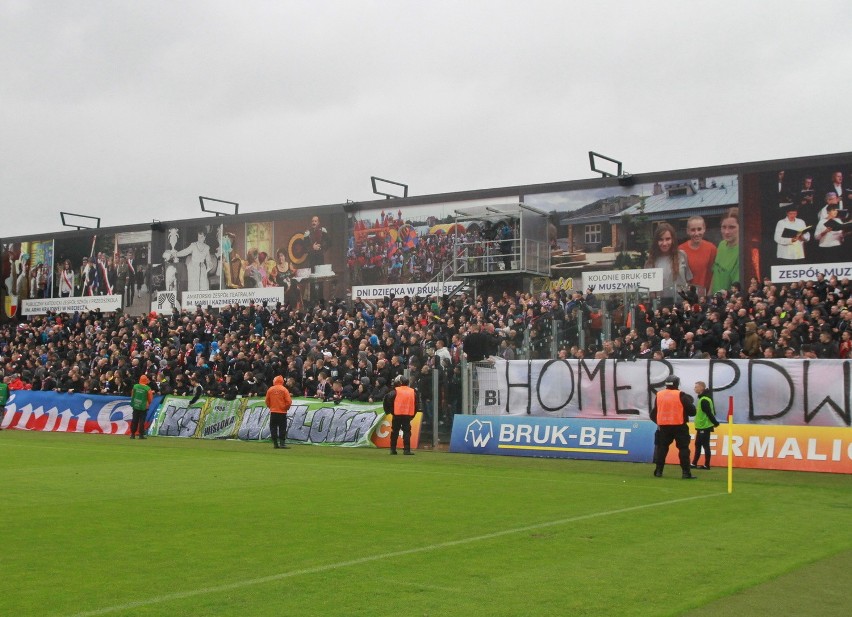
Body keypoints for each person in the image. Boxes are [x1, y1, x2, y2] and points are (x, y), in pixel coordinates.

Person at [650, 375, 697, 479]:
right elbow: (693, 412)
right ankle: (686, 473)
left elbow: (653, 413)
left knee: (662, 448)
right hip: (679, 426)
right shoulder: (681, 395)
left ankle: (658, 471)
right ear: (677, 384)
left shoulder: (659, 394)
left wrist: (659, 421)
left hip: (663, 426)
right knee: (683, 449)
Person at [645, 222, 691, 302]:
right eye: (661, 239)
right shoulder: (650, 261)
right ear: (656, 241)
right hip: (661, 305)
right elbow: (648, 290)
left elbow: (688, 280)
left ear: (672, 239)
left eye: (668, 239)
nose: (664, 243)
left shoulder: (682, 255)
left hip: (681, 303)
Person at [678, 216, 716, 296]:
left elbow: (714, 273)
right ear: (687, 231)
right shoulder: (681, 250)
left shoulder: (711, 248)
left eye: (699, 229)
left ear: (704, 229)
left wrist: (709, 293)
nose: (696, 233)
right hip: (688, 295)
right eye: (693, 230)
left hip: (706, 295)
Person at [710, 208, 740, 294]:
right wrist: (708, 295)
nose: (726, 232)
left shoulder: (742, 252)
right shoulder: (722, 244)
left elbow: (736, 288)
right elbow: (715, 274)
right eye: (724, 227)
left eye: (732, 227)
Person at [691, 381, 720, 469]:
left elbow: (709, 413)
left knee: (704, 445)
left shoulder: (704, 400)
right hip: (702, 426)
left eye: (696, 387)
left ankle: (705, 465)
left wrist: (715, 423)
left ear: (702, 388)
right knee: (699, 445)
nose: (694, 388)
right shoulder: (704, 398)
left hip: (704, 426)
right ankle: (695, 463)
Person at [389, 375, 416, 455]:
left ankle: (393, 449)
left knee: (395, 431)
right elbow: (416, 404)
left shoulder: (395, 391)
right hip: (407, 415)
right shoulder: (412, 391)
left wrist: (392, 412)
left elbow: (388, 401)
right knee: (407, 432)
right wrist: (413, 415)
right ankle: (407, 450)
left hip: (397, 414)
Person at [265, 375, 292, 449]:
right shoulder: (284, 390)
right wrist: (286, 408)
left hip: (273, 412)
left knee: (273, 428)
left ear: (275, 381)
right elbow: (289, 401)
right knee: (282, 428)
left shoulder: (270, 389)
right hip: (282, 412)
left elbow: (267, 401)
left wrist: (271, 407)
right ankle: (282, 443)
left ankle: (275, 443)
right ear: (282, 381)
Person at [129, 374, 154, 439]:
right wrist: (148, 403)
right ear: (146, 380)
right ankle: (141, 435)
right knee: (142, 421)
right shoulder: (147, 388)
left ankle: (132, 434)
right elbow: (150, 398)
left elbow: (132, 395)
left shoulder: (135, 386)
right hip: (144, 407)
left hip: (136, 405)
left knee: (134, 420)